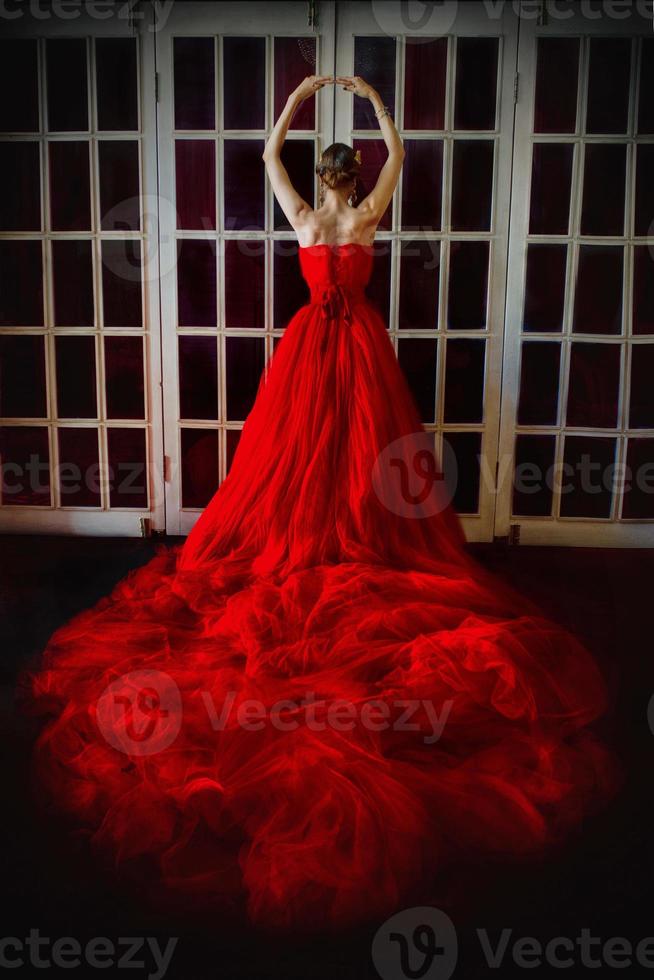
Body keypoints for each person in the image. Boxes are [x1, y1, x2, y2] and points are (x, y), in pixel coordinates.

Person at [26, 76, 615, 931]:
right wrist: (338, 97)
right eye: (347, 175)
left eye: (335, 177)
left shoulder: (326, 219)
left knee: (349, 460)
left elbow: (326, 156)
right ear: (347, 179)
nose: (339, 187)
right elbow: (338, 157)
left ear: (332, 181)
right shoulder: (345, 217)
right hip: (330, 347)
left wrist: (332, 97)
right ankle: (325, 540)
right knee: (313, 460)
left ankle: (341, 539)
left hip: (341, 349)